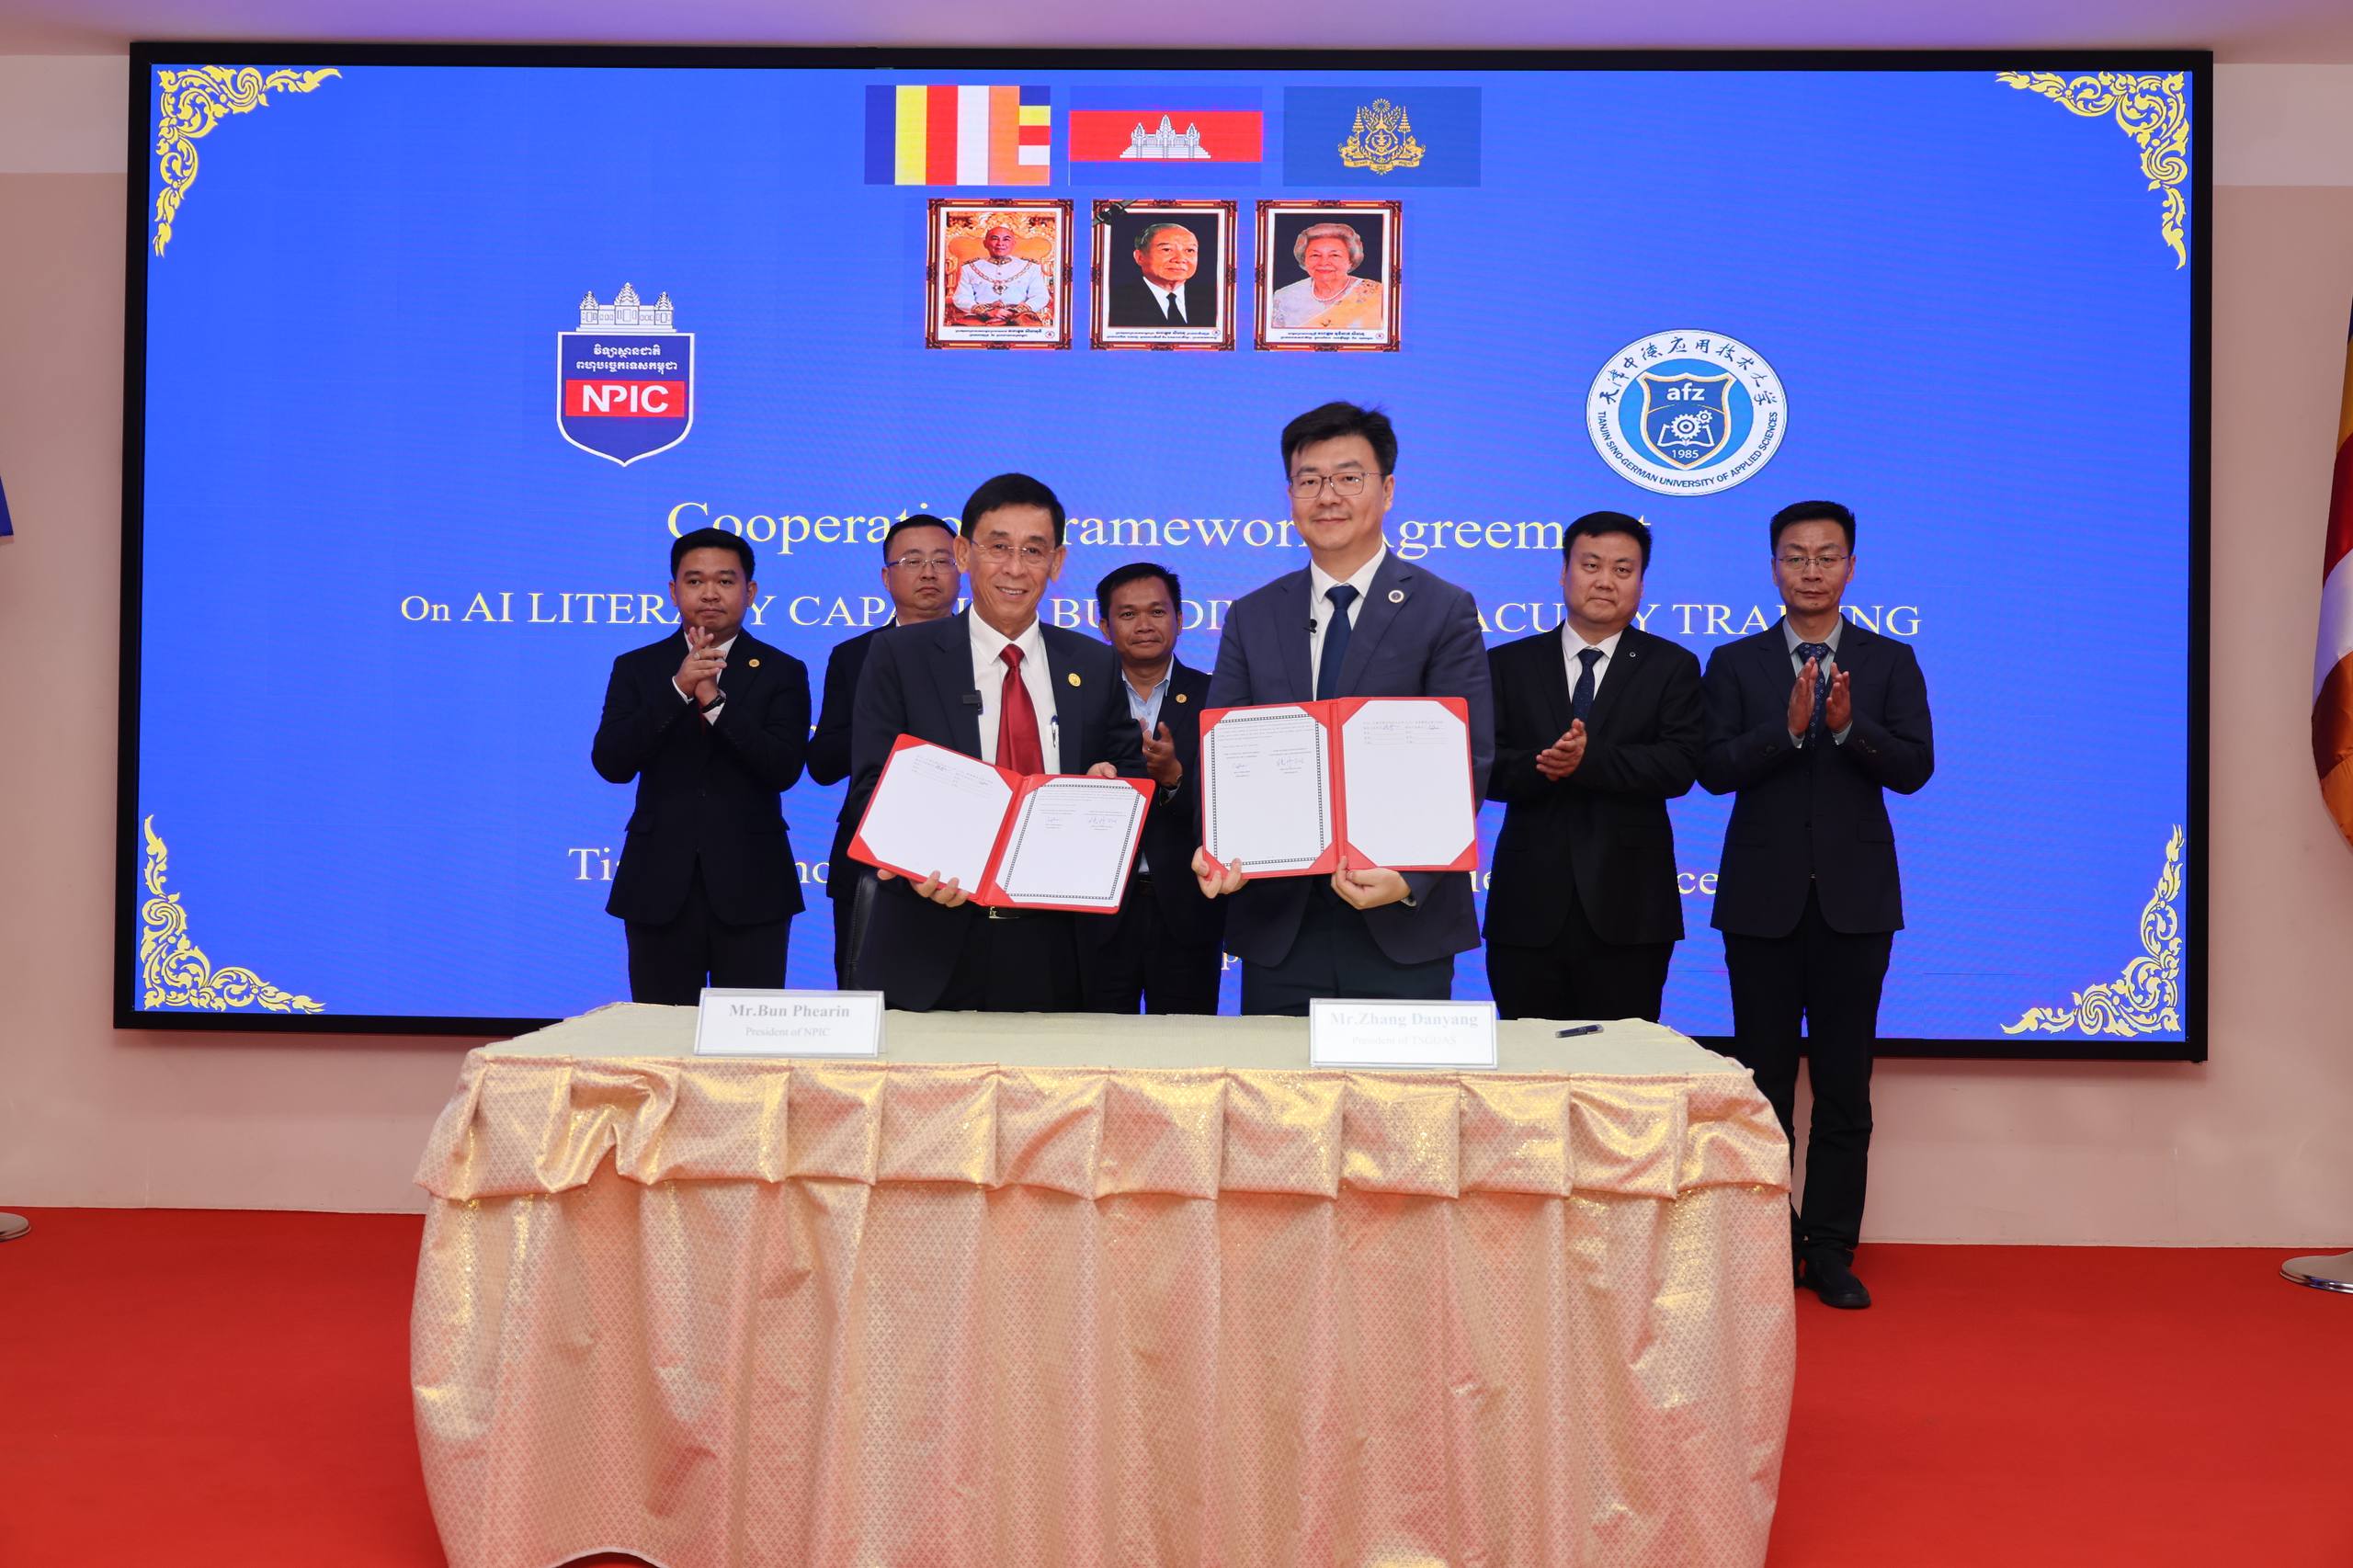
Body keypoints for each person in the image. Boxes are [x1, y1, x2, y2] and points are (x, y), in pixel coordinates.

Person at [1699, 500, 1934, 1311]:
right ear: (1774, 568)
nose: (1810, 570)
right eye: (1795, 556)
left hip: (1854, 907)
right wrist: (1789, 729)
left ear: (1851, 568)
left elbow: (1915, 769)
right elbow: (1713, 770)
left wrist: (1847, 727)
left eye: (1826, 556)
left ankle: (1831, 1248)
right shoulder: (1734, 663)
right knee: (1762, 1086)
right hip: (1760, 906)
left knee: (1842, 1086)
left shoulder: (1889, 661)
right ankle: (1770, 1241)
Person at [1192, 402, 1493, 1014]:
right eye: (1310, 480)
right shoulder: (1253, 615)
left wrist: (1411, 877)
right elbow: (1221, 752)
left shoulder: (1442, 609)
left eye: (1349, 477)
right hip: (1280, 926)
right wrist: (1218, 842)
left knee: (1402, 1084)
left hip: (1401, 923)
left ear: (1387, 490)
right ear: (1290, 496)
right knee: (1276, 1080)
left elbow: (1470, 758)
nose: (1327, 496)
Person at [849, 473, 1145, 1011]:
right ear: (964, 553)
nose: (1015, 568)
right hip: (929, 934)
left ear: (1057, 562)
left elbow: (1128, 770)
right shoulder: (900, 656)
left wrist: (1112, 789)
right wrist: (913, 863)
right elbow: (872, 785)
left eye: (1034, 550)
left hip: (1060, 946)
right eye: (998, 547)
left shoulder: (1094, 663)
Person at [1484, 512, 1703, 1022]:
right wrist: (1545, 765)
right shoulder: (1508, 664)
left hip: (1631, 910)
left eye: (1623, 570)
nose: (1605, 581)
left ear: (1641, 583)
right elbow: (1482, 766)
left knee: (1622, 1062)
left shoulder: (1672, 666)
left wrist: (1589, 760)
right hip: (1527, 907)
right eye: (1591, 565)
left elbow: (1679, 765)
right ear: (1564, 573)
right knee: (1529, 1061)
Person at [591, 527, 812, 1004]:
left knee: (748, 1037)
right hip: (657, 884)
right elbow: (611, 762)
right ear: (674, 591)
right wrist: (677, 690)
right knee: (659, 1034)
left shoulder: (782, 670)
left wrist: (713, 701)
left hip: (754, 885)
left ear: (750, 591)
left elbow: (783, 768)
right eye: (695, 581)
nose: (710, 593)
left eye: (725, 581)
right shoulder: (637, 667)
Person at [805, 514, 961, 987]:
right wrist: (886, 715)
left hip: (965, 852)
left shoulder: (987, 652)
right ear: (886, 577)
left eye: (942, 560)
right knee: (866, 998)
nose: (928, 572)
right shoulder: (854, 656)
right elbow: (823, 763)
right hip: (872, 856)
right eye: (912, 561)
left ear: (962, 570)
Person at [1075, 563, 1224, 1014]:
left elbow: (1232, 806)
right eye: (1127, 614)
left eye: (1157, 611)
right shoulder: (1077, 699)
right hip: (1095, 912)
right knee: (1090, 1049)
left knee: (1184, 1049)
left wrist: (1175, 779)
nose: (1144, 625)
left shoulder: (1217, 697)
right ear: (1104, 627)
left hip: (1186, 913)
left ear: (1179, 618)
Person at [1267, 222, 1384, 331]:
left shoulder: (1377, 294)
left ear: (1351, 260)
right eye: (1315, 255)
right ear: (1304, 260)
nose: (1323, 263)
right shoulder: (1285, 297)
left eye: (1334, 255)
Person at [1108, 221, 1209, 328]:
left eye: (1190, 250)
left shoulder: (1212, 300)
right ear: (1140, 257)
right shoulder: (1114, 302)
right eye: (1167, 249)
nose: (1180, 259)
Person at [949, 224, 1051, 325]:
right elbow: (961, 297)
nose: (1000, 243)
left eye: (1006, 239)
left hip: (1019, 318)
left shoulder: (1031, 267)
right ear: (985, 243)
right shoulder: (969, 268)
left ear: (1013, 243)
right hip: (979, 318)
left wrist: (1013, 313)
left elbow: (1040, 296)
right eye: (994, 239)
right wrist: (987, 312)